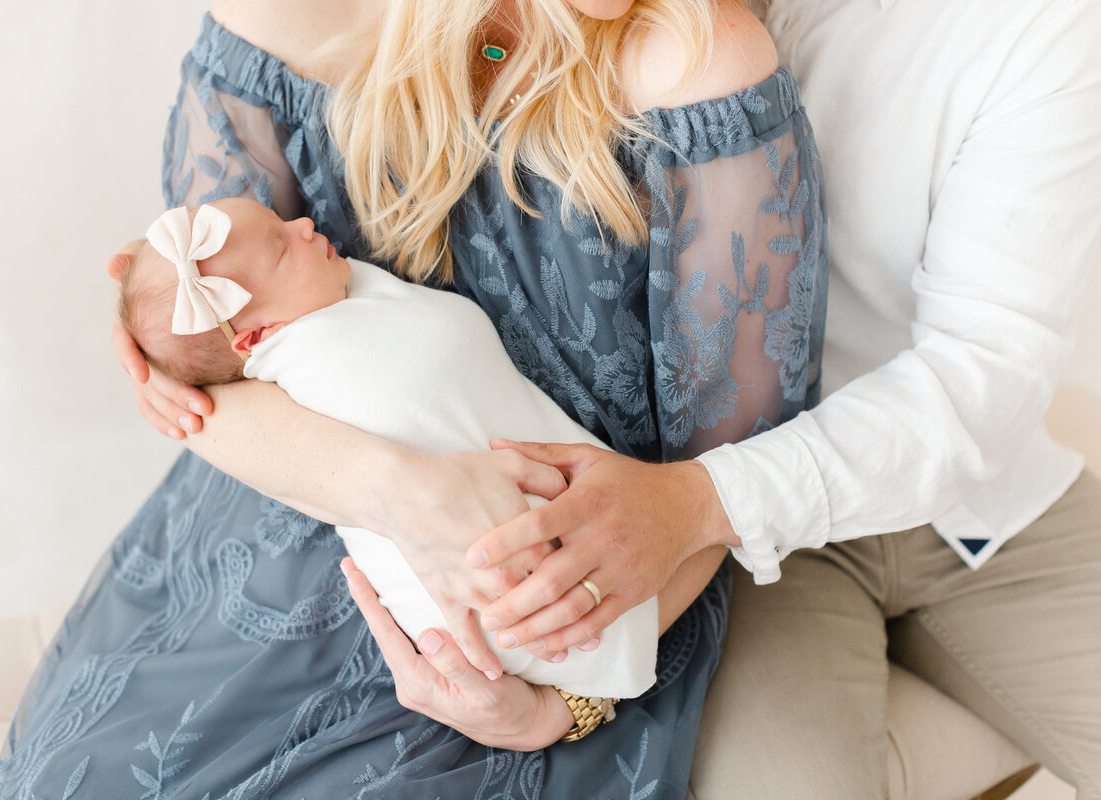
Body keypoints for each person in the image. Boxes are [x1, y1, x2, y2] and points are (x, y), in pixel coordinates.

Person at [0, 0, 824, 797]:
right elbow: (204, 377)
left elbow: (722, 485)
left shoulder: (699, 65)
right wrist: (402, 493)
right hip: (275, 525)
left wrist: (561, 709)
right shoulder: (285, 21)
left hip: (542, 602)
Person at [439, 0, 1101, 796]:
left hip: (975, 514)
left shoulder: (1042, 29)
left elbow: (983, 375)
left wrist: (695, 502)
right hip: (759, 557)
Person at [118, 198, 667, 697]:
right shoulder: (315, 361)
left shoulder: (316, 303)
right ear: (257, 338)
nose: (306, 224)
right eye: (283, 248)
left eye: (283, 223)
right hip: (469, 609)